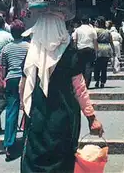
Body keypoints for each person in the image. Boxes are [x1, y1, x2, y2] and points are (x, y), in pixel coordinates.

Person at [20, 12, 104, 173]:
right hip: (64, 119)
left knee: (34, 161)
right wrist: (91, 118)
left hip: (37, 117)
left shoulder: (31, 54)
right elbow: (80, 89)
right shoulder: (70, 54)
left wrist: (25, 110)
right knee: (62, 163)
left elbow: (23, 87)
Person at [0, 20, 29, 161]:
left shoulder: (6, 48)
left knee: (11, 111)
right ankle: (27, 142)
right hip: (25, 79)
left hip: (11, 80)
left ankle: (9, 145)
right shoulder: (29, 47)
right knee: (29, 110)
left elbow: (3, 68)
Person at [72, 18, 98, 88]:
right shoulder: (92, 30)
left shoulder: (77, 30)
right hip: (90, 49)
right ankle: (87, 84)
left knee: (81, 67)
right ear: (88, 21)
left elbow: (75, 41)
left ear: (81, 21)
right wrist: (96, 51)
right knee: (89, 67)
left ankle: (82, 83)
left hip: (80, 49)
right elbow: (95, 41)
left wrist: (75, 50)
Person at [93, 16, 116, 88]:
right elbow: (111, 42)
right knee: (104, 67)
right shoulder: (108, 32)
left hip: (98, 48)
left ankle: (97, 80)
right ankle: (103, 81)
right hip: (106, 48)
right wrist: (113, 51)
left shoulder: (95, 31)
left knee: (97, 66)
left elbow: (94, 40)